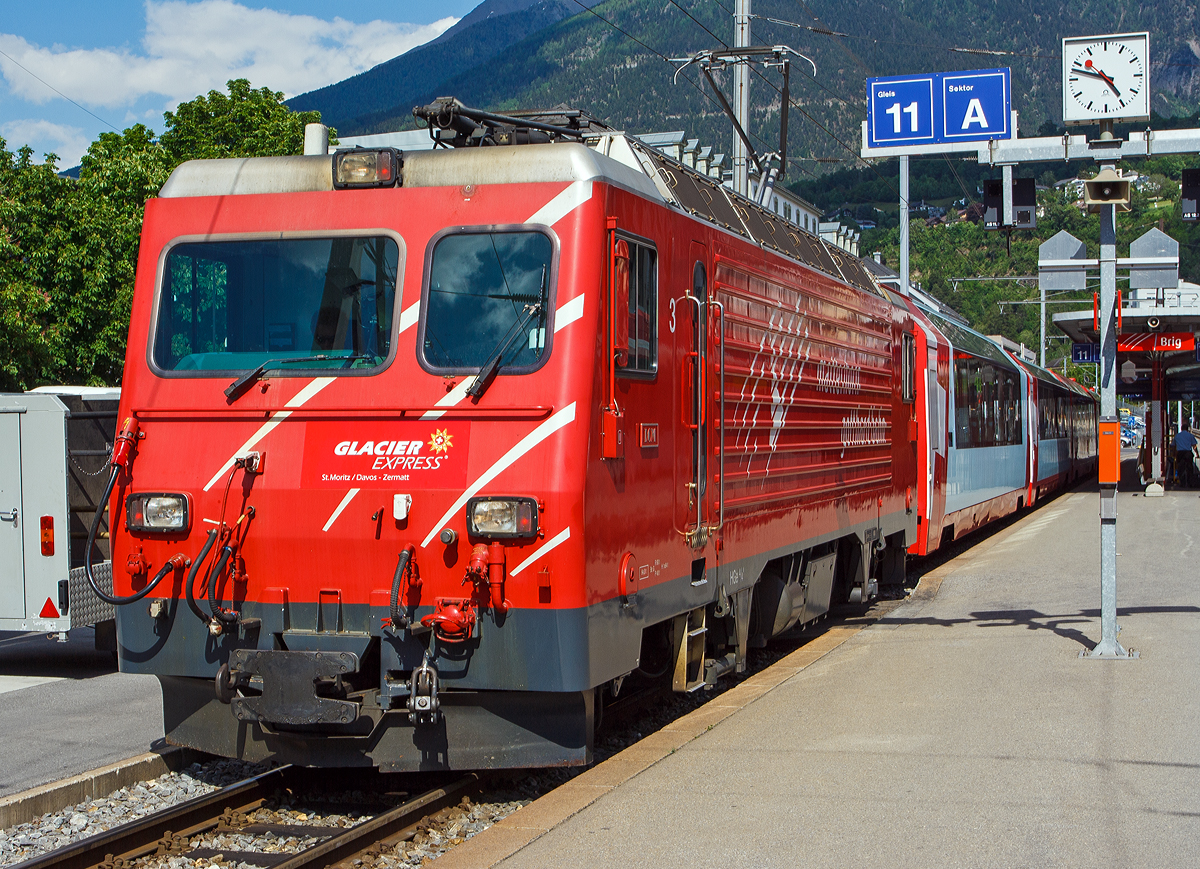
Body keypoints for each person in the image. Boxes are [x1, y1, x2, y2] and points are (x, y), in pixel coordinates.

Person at [1175, 420, 1199, 488]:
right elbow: (1194, 446)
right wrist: (1197, 454)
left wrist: (1174, 454)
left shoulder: (1177, 436)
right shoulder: (1190, 435)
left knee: (1181, 468)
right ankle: (1190, 482)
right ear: (1187, 429)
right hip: (1188, 453)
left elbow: (1173, 445)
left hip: (1180, 453)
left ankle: (1182, 483)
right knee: (1189, 468)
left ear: (1181, 428)